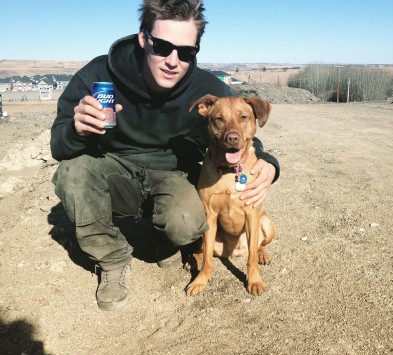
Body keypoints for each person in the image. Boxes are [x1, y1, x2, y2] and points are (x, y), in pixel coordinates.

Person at [50, 0, 280, 311]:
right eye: (162, 46)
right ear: (143, 38)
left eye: (186, 52)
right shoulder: (97, 75)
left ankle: (166, 241)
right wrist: (76, 130)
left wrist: (269, 164)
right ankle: (112, 259)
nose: (173, 60)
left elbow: (238, 132)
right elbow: (58, 147)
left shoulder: (206, 90)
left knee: (186, 220)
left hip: (170, 177)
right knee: (72, 173)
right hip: (114, 172)